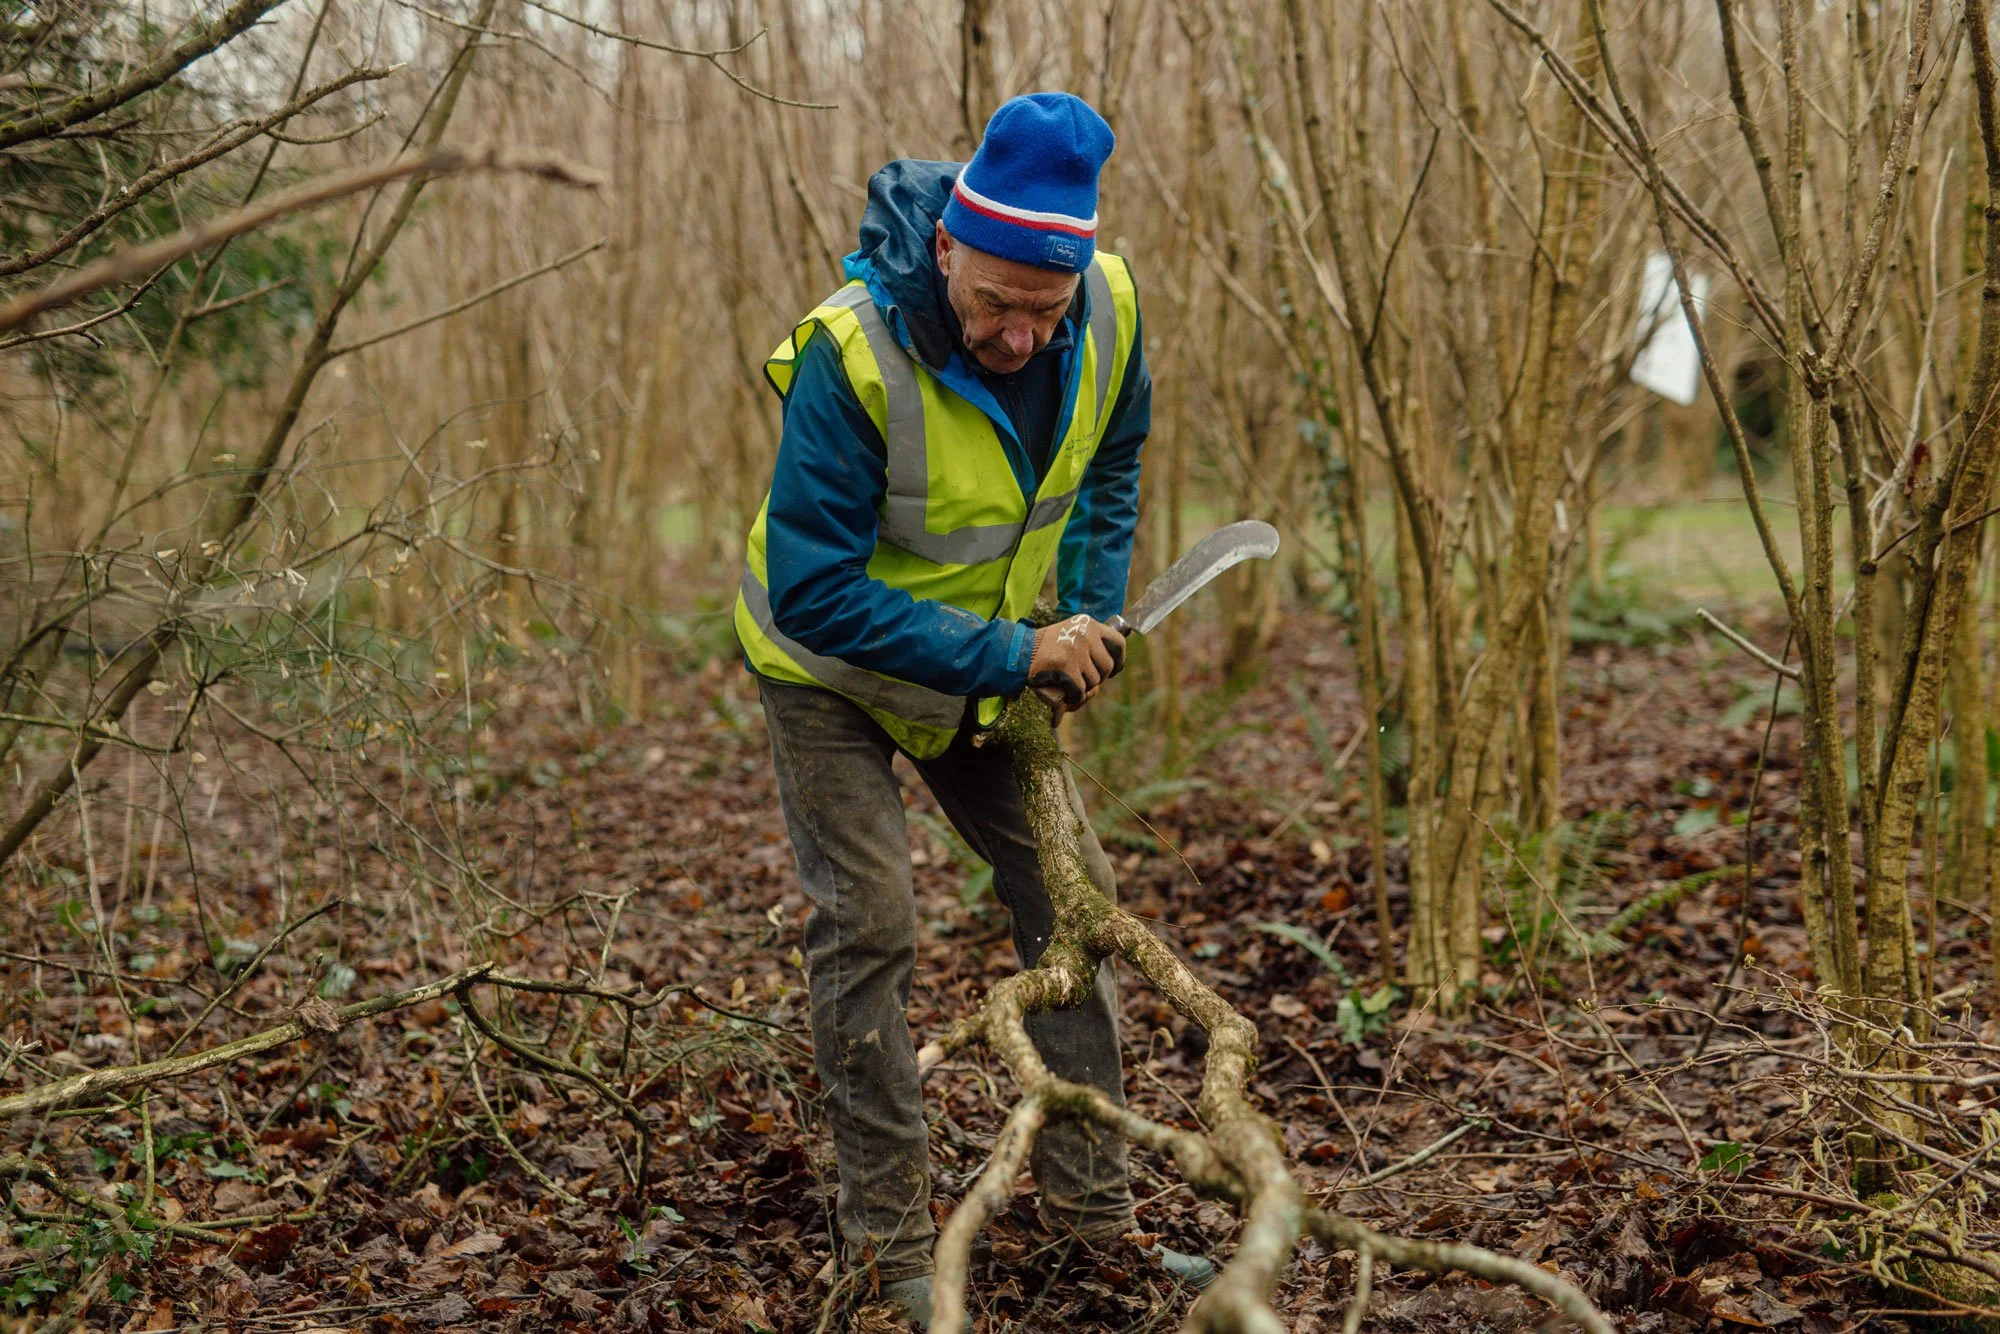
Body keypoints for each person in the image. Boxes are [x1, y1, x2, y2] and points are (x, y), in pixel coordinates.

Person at [731, 93, 1214, 1328]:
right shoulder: (848, 355)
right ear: (946, 244)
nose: (1014, 335)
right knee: (871, 925)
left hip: (988, 667)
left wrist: (1088, 620)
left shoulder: (1104, 309)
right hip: (827, 672)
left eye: (1040, 310)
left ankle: (1090, 1216)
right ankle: (887, 1243)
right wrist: (1014, 647)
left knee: (1074, 902)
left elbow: (1114, 453)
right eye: (994, 301)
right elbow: (814, 588)